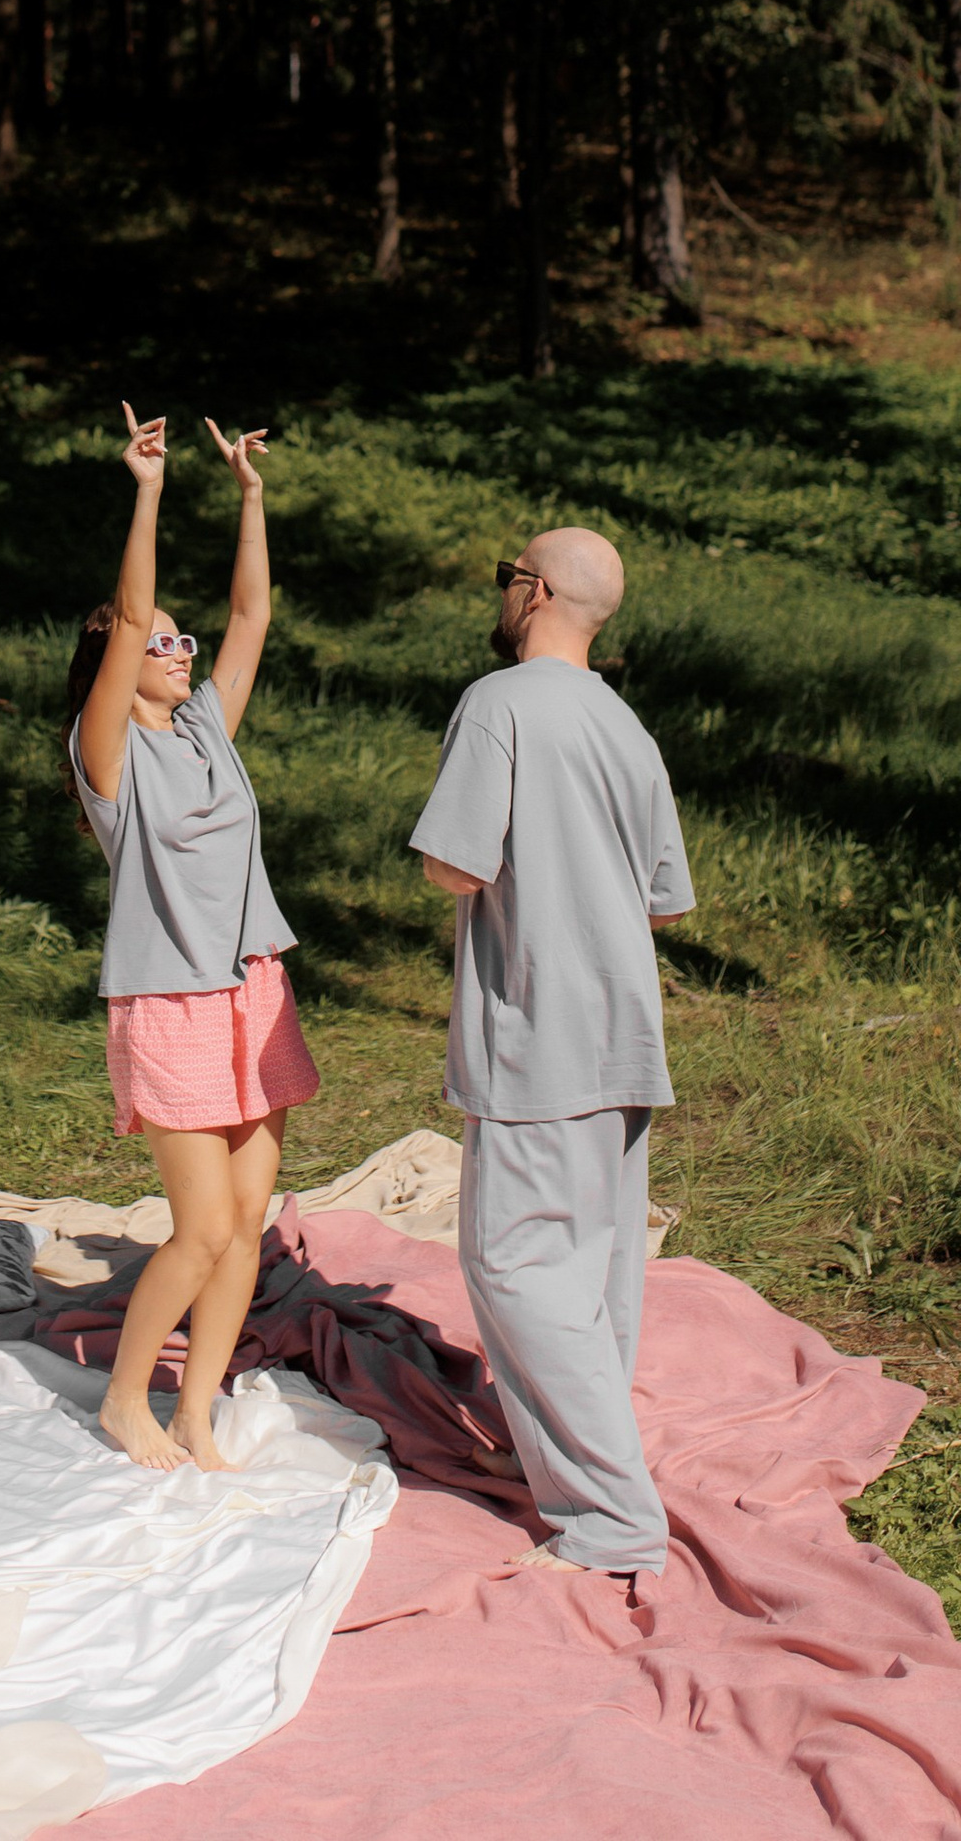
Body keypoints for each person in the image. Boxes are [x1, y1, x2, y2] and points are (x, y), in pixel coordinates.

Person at [409, 526, 693, 1578]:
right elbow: (665, 900)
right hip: (624, 1029)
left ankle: (613, 1521)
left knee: (517, 1266)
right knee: (594, 1272)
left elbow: (454, 864)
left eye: (507, 576)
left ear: (533, 592)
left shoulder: (501, 704)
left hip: (539, 1029)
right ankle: (574, 1466)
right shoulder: (627, 726)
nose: (502, 591)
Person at [67, 401, 320, 1474]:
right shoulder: (107, 756)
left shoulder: (208, 727)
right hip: (170, 1002)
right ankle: (126, 1399)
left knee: (248, 1223)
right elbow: (131, 617)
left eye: (184, 640)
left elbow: (252, 615)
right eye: (162, 642)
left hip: (253, 987)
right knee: (204, 1229)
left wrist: (251, 497)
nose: (180, 649)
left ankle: (196, 1413)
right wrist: (151, 490)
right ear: (118, 664)